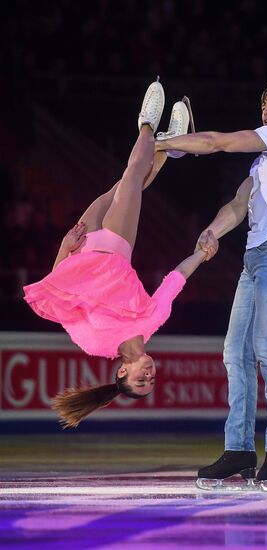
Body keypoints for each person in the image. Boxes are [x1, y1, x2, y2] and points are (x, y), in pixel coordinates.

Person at [23, 79, 218, 428]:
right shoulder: (153, 321)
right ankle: (150, 127)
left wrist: (64, 248)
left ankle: (167, 146)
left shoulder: (93, 343)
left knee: (129, 180)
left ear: (122, 371)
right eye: (152, 380)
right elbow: (176, 279)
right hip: (115, 245)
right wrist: (201, 255)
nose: (149, 374)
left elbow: (61, 300)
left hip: (81, 248)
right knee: (131, 177)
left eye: (140, 379)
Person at [156, 83, 267, 488]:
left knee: (265, 347)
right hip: (256, 258)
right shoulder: (262, 165)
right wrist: (211, 231)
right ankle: (240, 450)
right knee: (235, 352)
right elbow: (237, 205)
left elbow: (217, 141)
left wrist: (167, 143)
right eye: (264, 105)